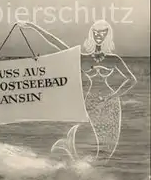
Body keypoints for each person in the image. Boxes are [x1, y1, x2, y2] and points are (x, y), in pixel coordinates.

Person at [16, 20, 137, 163]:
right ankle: (79, 157)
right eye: (96, 32)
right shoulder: (82, 57)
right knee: (91, 133)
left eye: (103, 33)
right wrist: (32, 25)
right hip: (90, 100)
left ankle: (96, 165)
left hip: (110, 103)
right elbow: (55, 42)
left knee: (108, 138)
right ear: (91, 34)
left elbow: (131, 79)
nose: (99, 36)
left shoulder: (114, 59)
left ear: (108, 36)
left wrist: (113, 95)